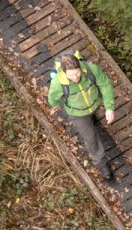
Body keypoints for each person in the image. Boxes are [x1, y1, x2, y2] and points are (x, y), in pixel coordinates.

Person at [46, 50, 117, 182]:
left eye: (77, 73)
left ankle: (93, 116)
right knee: (91, 138)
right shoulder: (57, 84)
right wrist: (68, 105)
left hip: (94, 104)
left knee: (93, 117)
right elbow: (53, 101)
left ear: (80, 67)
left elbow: (105, 85)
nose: (75, 77)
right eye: (71, 75)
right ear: (63, 72)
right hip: (78, 114)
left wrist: (109, 107)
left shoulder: (91, 70)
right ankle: (102, 164)